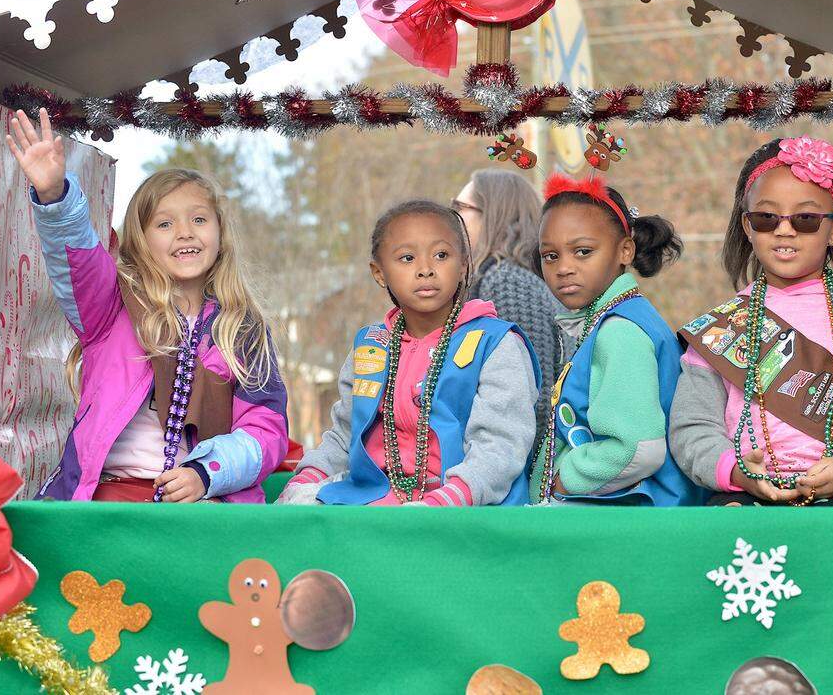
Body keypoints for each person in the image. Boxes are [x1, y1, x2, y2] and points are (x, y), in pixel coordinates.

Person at [8, 108, 288, 503]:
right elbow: (78, 261)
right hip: (108, 499)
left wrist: (206, 473)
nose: (185, 232)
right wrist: (55, 197)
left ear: (221, 235)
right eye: (164, 224)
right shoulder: (110, 309)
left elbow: (266, 428)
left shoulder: (242, 329)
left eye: (199, 219)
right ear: (140, 240)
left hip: (204, 504)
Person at [670, 136, 833, 506]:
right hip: (748, 493)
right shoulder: (721, 328)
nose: (784, 230)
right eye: (766, 218)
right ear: (747, 226)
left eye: (805, 219)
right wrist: (738, 471)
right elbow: (691, 427)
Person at [277, 200, 540, 506]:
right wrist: (303, 480)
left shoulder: (494, 343)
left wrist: (445, 502)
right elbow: (345, 436)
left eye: (441, 255)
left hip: (468, 510)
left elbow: (501, 447)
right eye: (407, 258)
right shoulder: (371, 345)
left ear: (464, 265)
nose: (426, 270)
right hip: (377, 501)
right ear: (379, 273)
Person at [530, 173, 703, 505]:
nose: (564, 267)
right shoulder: (613, 318)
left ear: (625, 250)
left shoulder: (621, 331)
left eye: (582, 251)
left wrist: (562, 480)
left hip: (635, 523)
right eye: (551, 256)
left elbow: (638, 448)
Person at [453, 169, 567, 445]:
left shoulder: (509, 284)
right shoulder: (493, 280)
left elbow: (531, 398)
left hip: (510, 474)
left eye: (460, 209)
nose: (450, 219)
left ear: (494, 215)